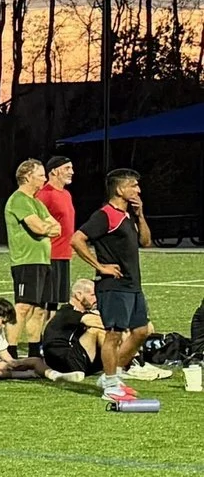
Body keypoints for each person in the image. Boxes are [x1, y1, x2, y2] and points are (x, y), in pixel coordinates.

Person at [72, 166, 155, 407]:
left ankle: (113, 375)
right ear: (120, 189)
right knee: (114, 335)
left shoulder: (128, 215)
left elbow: (146, 242)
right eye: (133, 185)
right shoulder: (105, 215)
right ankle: (110, 385)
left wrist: (140, 215)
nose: (138, 190)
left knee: (142, 331)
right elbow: (77, 239)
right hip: (114, 286)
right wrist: (101, 266)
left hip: (133, 285)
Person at [2, 158, 62, 349]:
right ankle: (11, 350)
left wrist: (47, 227)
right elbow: (38, 227)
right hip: (26, 262)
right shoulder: (19, 200)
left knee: (39, 309)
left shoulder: (37, 203)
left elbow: (57, 228)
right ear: (28, 177)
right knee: (23, 307)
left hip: (43, 261)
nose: (45, 179)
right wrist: (46, 227)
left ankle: (34, 352)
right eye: (41, 175)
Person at [39, 276, 103, 379]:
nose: (96, 299)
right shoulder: (67, 312)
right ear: (78, 295)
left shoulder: (78, 312)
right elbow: (96, 322)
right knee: (96, 331)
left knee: (113, 332)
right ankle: (120, 366)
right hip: (64, 361)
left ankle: (123, 364)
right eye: (92, 295)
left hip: (74, 357)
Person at [38, 153, 79, 310]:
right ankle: (38, 334)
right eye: (67, 168)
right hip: (49, 255)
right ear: (54, 171)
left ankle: (49, 334)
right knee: (43, 304)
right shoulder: (45, 194)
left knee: (55, 303)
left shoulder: (66, 194)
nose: (72, 172)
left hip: (63, 255)